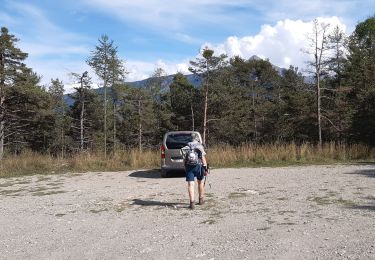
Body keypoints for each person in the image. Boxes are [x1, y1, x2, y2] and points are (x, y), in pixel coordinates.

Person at [181, 133, 208, 209]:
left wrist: (185, 167)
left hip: (189, 167)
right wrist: (205, 168)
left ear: (191, 138)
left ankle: (192, 203)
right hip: (199, 167)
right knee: (201, 182)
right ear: (197, 138)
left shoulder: (186, 147)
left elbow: (184, 160)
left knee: (190, 184)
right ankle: (201, 199)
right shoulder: (199, 146)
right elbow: (203, 158)